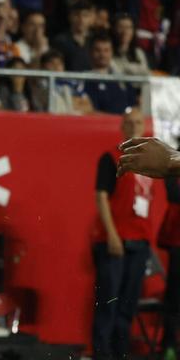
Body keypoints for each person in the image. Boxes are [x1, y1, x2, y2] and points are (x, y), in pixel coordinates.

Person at [93, 108, 158, 359]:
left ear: (143, 127)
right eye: (128, 123)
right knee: (108, 303)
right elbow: (101, 196)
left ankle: (120, 354)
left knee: (128, 306)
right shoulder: (112, 157)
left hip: (139, 241)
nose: (133, 126)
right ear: (122, 126)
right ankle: (102, 355)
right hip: (116, 240)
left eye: (138, 123)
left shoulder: (149, 161)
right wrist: (111, 234)